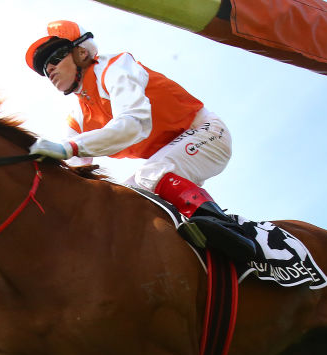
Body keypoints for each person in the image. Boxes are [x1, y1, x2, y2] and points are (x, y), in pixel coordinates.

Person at [24, 21, 256, 263]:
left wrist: (67, 147)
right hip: (169, 154)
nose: (49, 68)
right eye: (43, 67)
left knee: (151, 174)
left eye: (55, 57)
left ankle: (230, 232)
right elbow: (75, 173)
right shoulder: (78, 119)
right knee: (120, 202)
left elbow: (134, 124)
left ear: (82, 52)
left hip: (205, 131)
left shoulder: (115, 66)